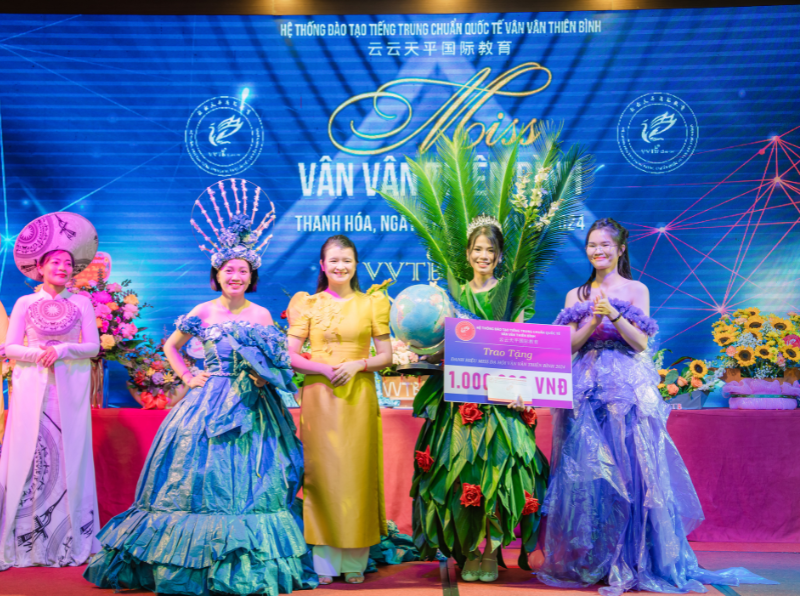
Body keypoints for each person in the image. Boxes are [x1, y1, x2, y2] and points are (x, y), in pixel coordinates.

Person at [84, 181, 316, 595]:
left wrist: (267, 375)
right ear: (217, 274)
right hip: (207, 403)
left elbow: (279, 358)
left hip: (253, 407)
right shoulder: (202, 311)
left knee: (256, 481)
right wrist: (190, 377)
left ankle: (247, 560)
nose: (235, 276)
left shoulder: (262, 315)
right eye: (228, 270)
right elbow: (171, 347)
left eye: (243, 271)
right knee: (196, 478)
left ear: (251, 276)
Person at [538, 218, 777, 595]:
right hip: (585, 384)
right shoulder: (576, 294)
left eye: (605, 245)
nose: (598, 251)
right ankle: (592, 556)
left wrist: (614, 315)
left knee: (630, 468)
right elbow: (569, 345)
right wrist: (592, 320)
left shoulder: (636, 289)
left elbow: (640, 344)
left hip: (624, 385)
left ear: (620, 249)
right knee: (586, 471)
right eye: (592, 245)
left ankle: (634, 556)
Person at [410, 219, 548, 583]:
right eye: (477, 250)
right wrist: (419, 355)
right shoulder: (452, 297)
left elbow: (520, 346)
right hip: (459, 398)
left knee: (498, 478)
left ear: (500, 256)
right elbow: (444, 345)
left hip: (500, 400)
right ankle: (470, 551)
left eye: (490, 250)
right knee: (463, 476)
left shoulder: (512, 294)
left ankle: (490, 553)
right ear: (468, 254)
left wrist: (522, 390)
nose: (483, 256)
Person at [286, 234, 393, 585]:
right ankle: (325, 562)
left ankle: (355, 560)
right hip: (319, 396)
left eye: (346, 260)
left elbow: (386, 356)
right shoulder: (307, 303)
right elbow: (289, 355)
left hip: (358, 396)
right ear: (322, 265)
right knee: (322, 475)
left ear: (356, 264)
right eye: (333, 260)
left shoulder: (371, 303)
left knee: (356, 473)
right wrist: (322, 369)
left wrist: (359, 364)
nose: (340, 266)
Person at [0, 212, 101, 569]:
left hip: (67, 394)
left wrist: (62, 350)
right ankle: (24, 542)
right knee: (30, 459)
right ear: (40, 268)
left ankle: (69, 539)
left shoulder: (82, 302)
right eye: (55, 262)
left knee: (69, 456)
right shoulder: (24, 303)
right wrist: (37, 353)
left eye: (68, 263)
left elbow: (92, 347)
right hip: (32, 392)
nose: (62, 267)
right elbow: (10, 347)